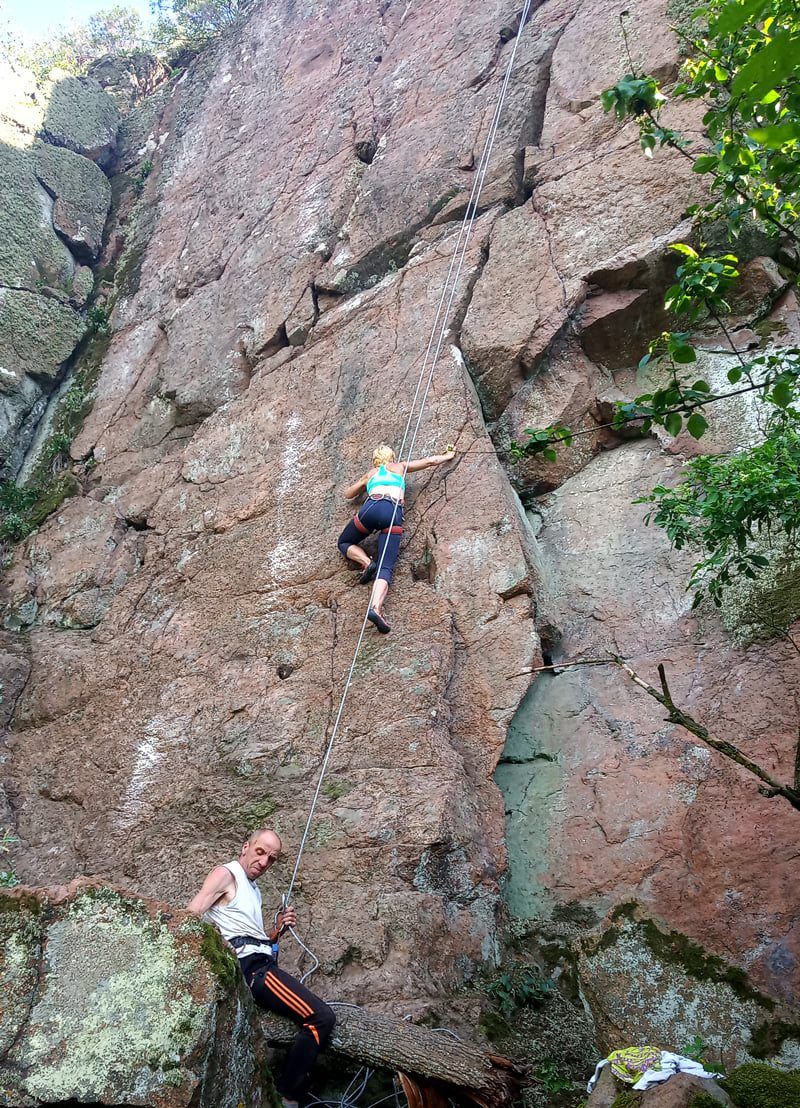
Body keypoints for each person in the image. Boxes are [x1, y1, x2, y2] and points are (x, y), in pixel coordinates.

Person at [187, 828, 334, 1108]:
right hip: (252, 969)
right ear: (246, 847)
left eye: (271, 858)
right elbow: (190, 917)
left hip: (260, 963)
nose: (264, 862)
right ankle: (287, 1096)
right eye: (260, 852)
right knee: (322, 1018)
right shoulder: (226, 874)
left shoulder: (253, 890)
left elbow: (249, 936)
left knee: (319, 1016)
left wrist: (275, 931)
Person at [337, 443, 455, 633]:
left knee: (344, 542)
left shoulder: (371, 473)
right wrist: (448, 455)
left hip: (371, 507)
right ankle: (376, 608)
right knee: (385, 567)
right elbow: (430, 461)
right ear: (392, 457)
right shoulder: (400, 466)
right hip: (392, 512)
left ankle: (367, 563)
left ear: (375, 461)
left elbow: (348, 494)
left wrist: (364, 483)